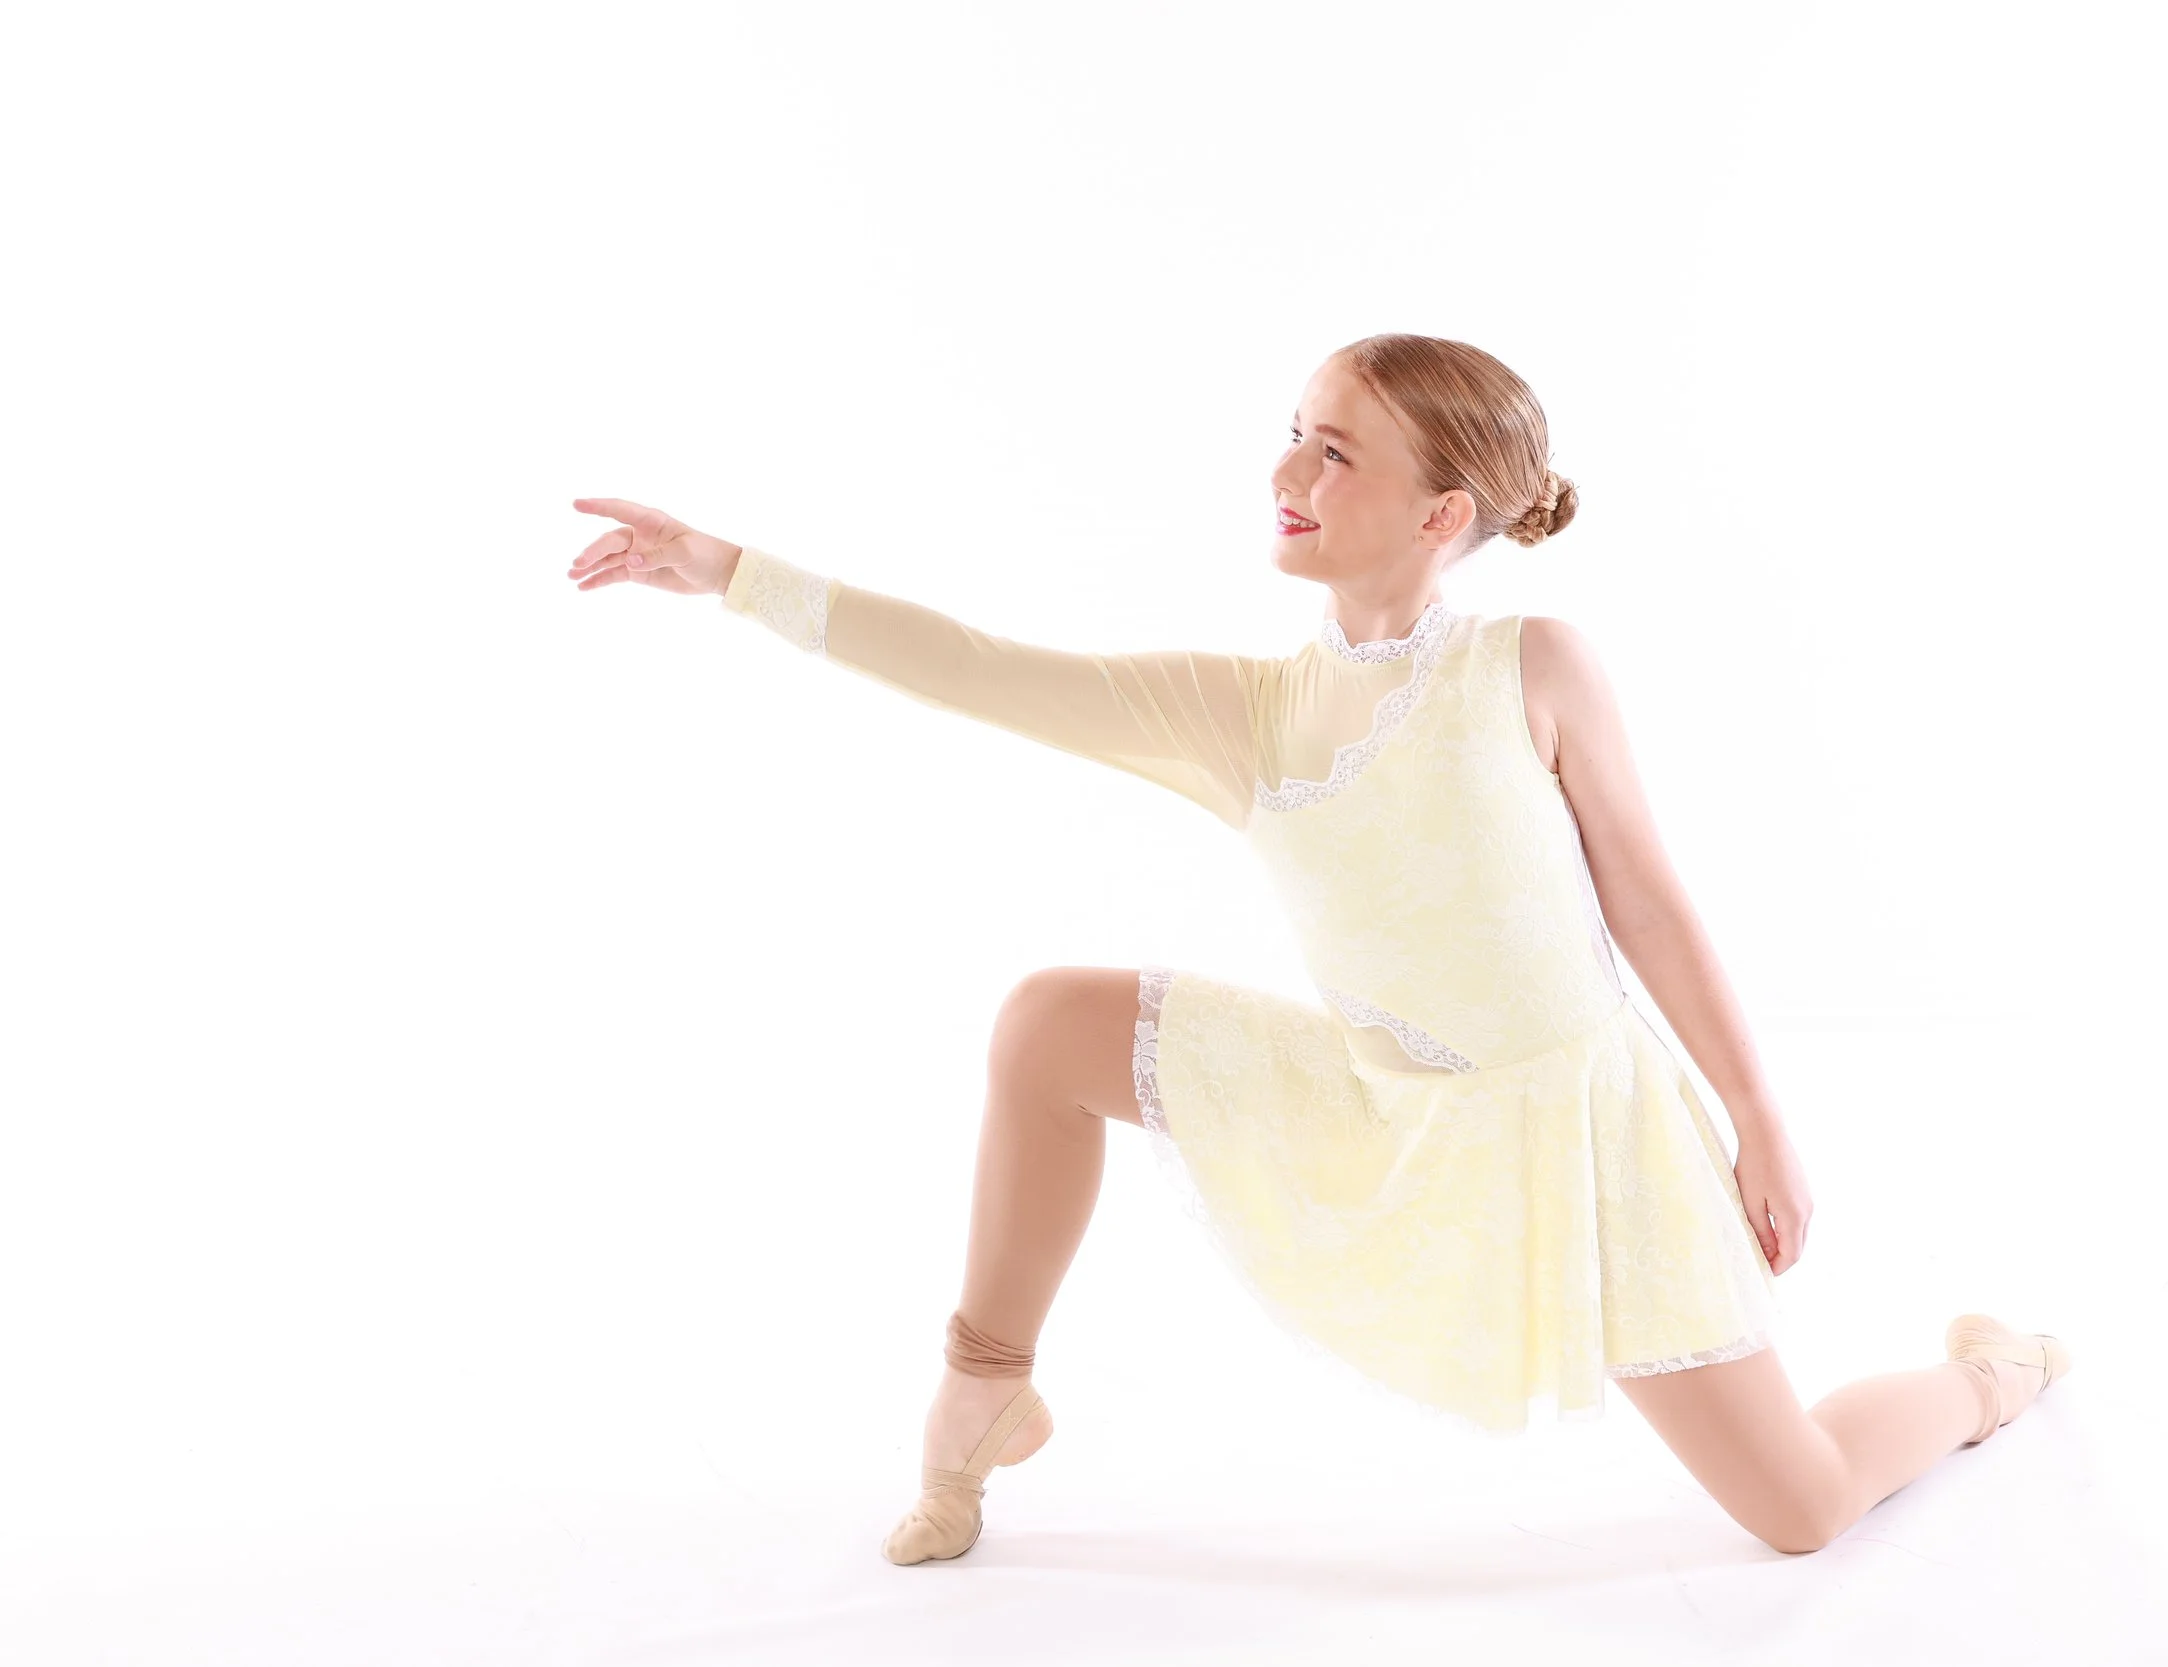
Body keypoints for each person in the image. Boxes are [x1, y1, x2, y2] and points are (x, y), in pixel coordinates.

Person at [565, 332, 2070, 1565]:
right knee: (1045, 1024)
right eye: (1294, 431)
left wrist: (1757, 1117)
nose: (1286, 470)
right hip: (1377, 1117)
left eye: (1333, 449)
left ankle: (1984, 1375)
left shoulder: (1530, 665)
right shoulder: (1248, 714)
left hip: (1584, 1139)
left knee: (1801, 1506)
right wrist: (734, 574)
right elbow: (982, 668)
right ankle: (984, 1385)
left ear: (1441, 514)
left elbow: (1652, 906)